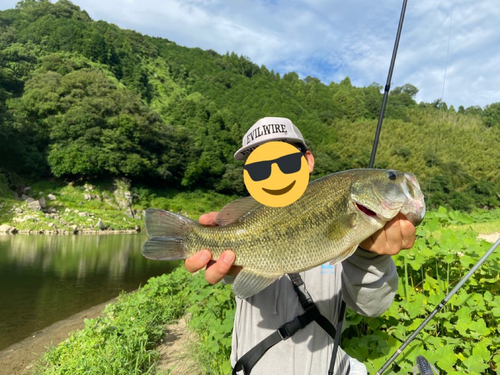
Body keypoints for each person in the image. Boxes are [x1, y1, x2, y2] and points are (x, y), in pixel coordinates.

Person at [185, 117, 416, 375]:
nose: (274, 173)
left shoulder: (360, 231)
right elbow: (239, 279)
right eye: (259, 168)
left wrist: (370, 258)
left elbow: (371, 307)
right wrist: (222, 257)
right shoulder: (250, 220)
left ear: (308, 160)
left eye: (285, 161)